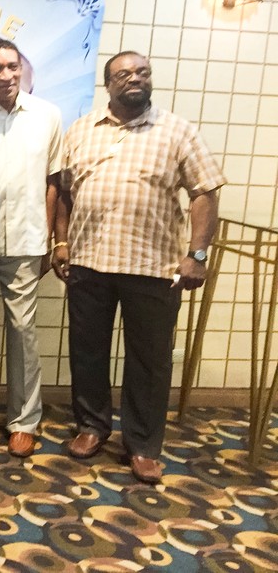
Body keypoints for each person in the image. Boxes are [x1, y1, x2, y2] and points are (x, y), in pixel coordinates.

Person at [52, 50, 224, 484]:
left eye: (142, 72)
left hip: (154, 266)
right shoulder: (81, 130)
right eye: (124, 74)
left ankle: (143, 444)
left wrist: (197, 254)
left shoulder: (178, 131)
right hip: (89, 262)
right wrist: (61, 242)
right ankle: (92, 426)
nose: (135, 78)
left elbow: (204, 193)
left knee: (150, 360)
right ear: (108, 84)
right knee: (87, 351)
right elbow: (66, 193)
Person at [0, 39, 63, 458]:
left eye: (12, 67)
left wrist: (49, 238)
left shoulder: (47, 115)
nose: (6, 75)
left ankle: (24, 420)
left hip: (27, 240)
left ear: (21, 70)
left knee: (23, 332)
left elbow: (54, 181)